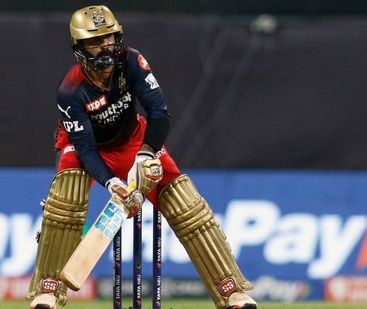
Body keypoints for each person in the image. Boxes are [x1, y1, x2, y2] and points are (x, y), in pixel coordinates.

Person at [26, 5, 257, 309]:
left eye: (109, 38)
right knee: (65, 201)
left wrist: (145, 154)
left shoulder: (131, 60)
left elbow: (159, 113)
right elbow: (85, 150)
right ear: (79, 47)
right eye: (95, 41)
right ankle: (48, 289)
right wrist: (111, 184)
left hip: (134, 139)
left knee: (187, 206)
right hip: (88, 146)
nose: (105, 46)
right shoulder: (70, 90)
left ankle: (231, 291)